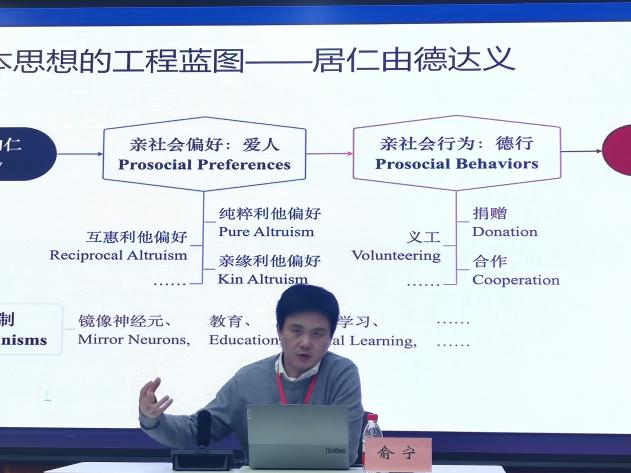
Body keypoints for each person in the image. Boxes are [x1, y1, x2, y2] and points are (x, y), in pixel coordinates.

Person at [138, 284, 364, 465]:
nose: (305, 342)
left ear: (331, 337)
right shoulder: (249, 379)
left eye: (317, 334)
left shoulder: (341, 374)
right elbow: (197, 432)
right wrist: (153, 419)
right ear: (279, 330)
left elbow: (346, 451)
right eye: (296, 331)